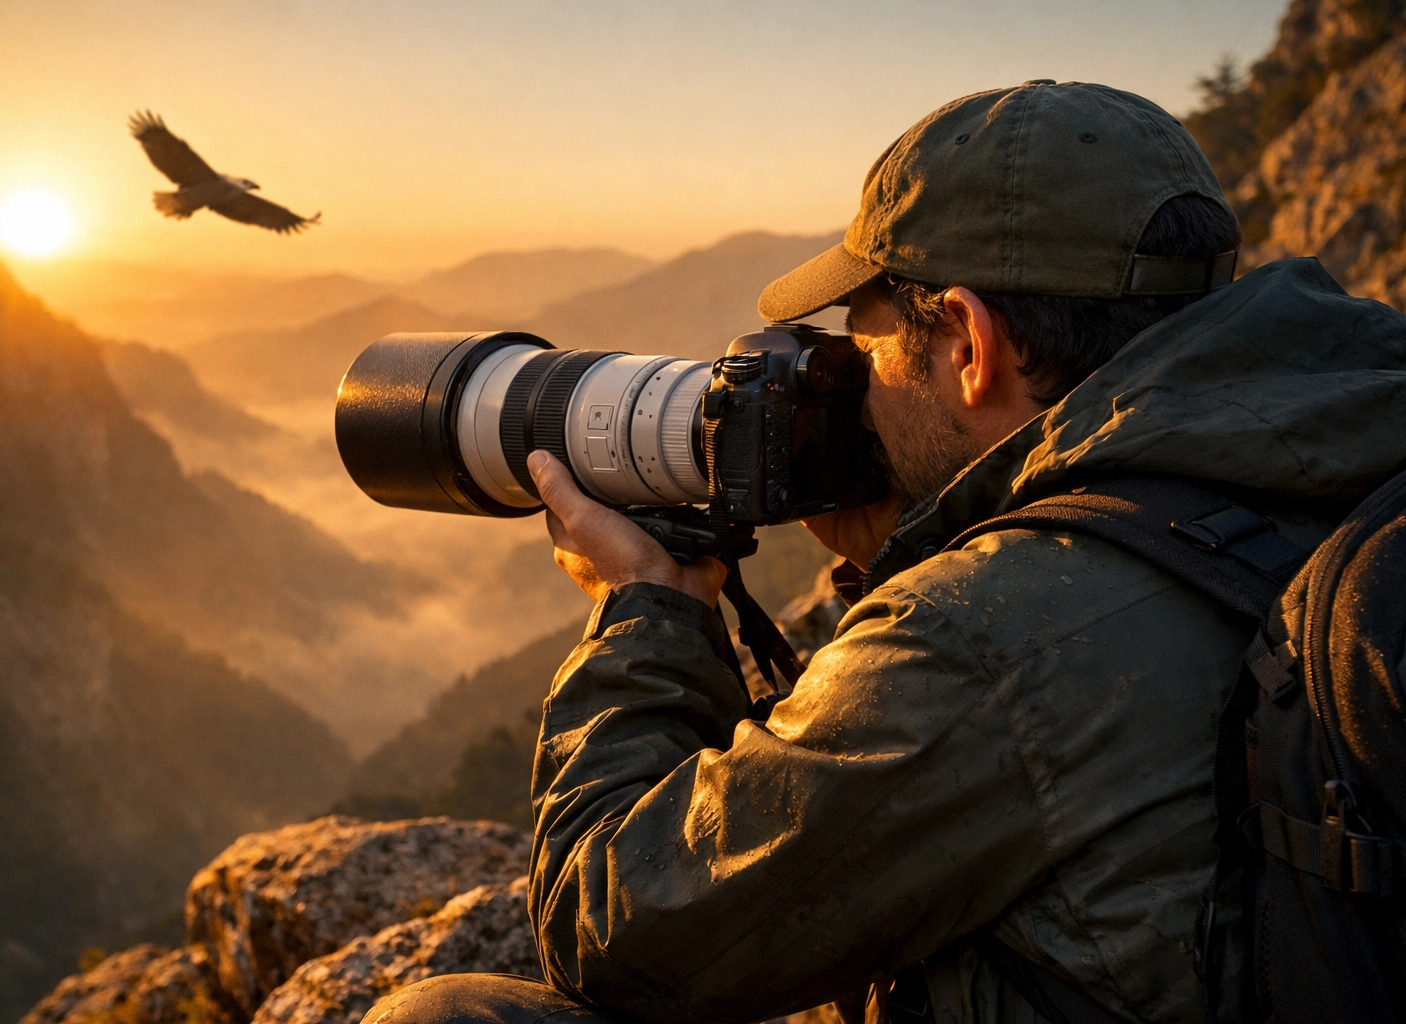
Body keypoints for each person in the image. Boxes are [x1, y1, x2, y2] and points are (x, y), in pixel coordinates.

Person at [366, 82, 1406, 1024]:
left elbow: (614, 930)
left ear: (967, 341)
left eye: (862, 336)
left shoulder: (992, 629)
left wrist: (644, 605)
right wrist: (917, 549)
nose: (843, 377)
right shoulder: (1336, 430)